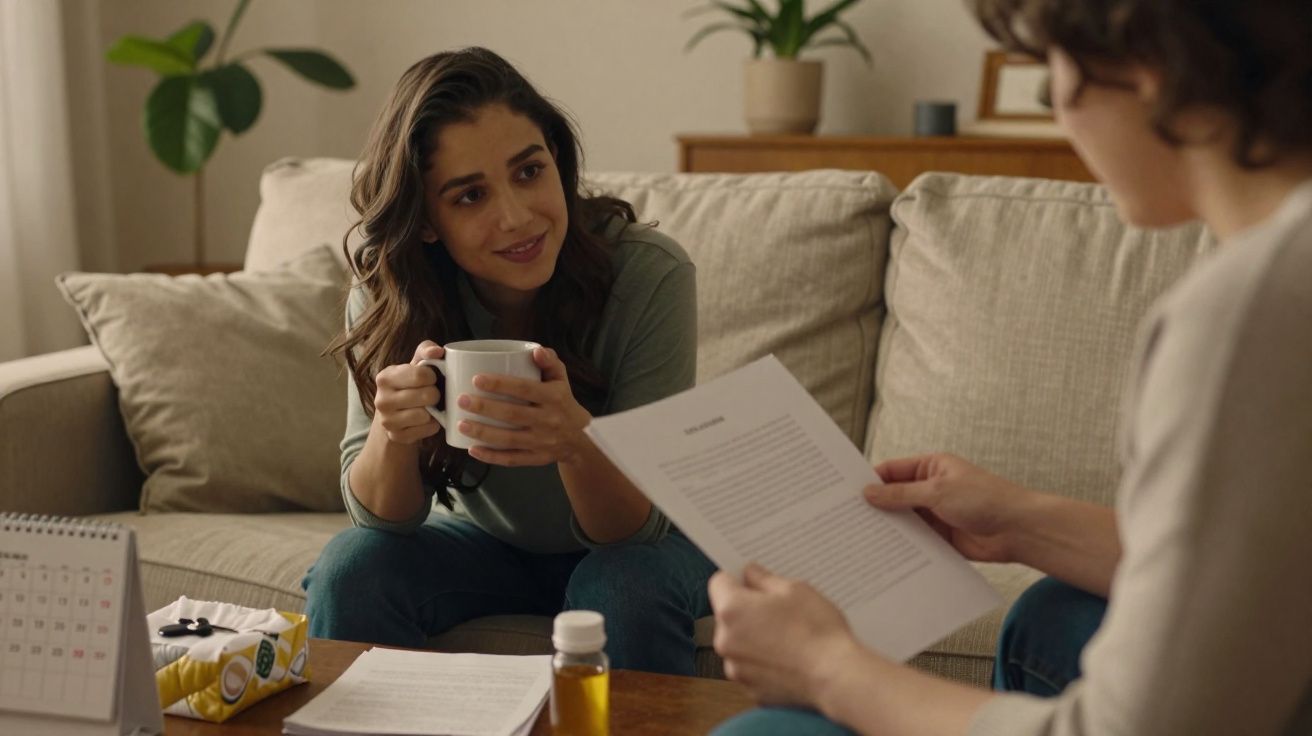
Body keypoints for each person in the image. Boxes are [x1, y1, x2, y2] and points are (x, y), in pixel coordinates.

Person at [710, 1, 1312, 733]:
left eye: (1049, 73)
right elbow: (1261, 571)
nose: (1058, 110)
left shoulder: (1250, 312)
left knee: (771, 731)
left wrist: (826, 667)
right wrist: (1021, 521)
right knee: (1056, 615)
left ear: (1146, 67)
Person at [302, 47, 716, 676]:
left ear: (558, 161)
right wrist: (393, 433)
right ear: (428, 221)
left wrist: (576, 443)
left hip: (650, 542)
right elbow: (381, 520)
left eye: (529, 172)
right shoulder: (390, 292)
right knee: (352, 568)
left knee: (623, 586)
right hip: (482, 542)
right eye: (469, 196)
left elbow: (635, 530)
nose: (517, 217)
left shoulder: (649, 274)